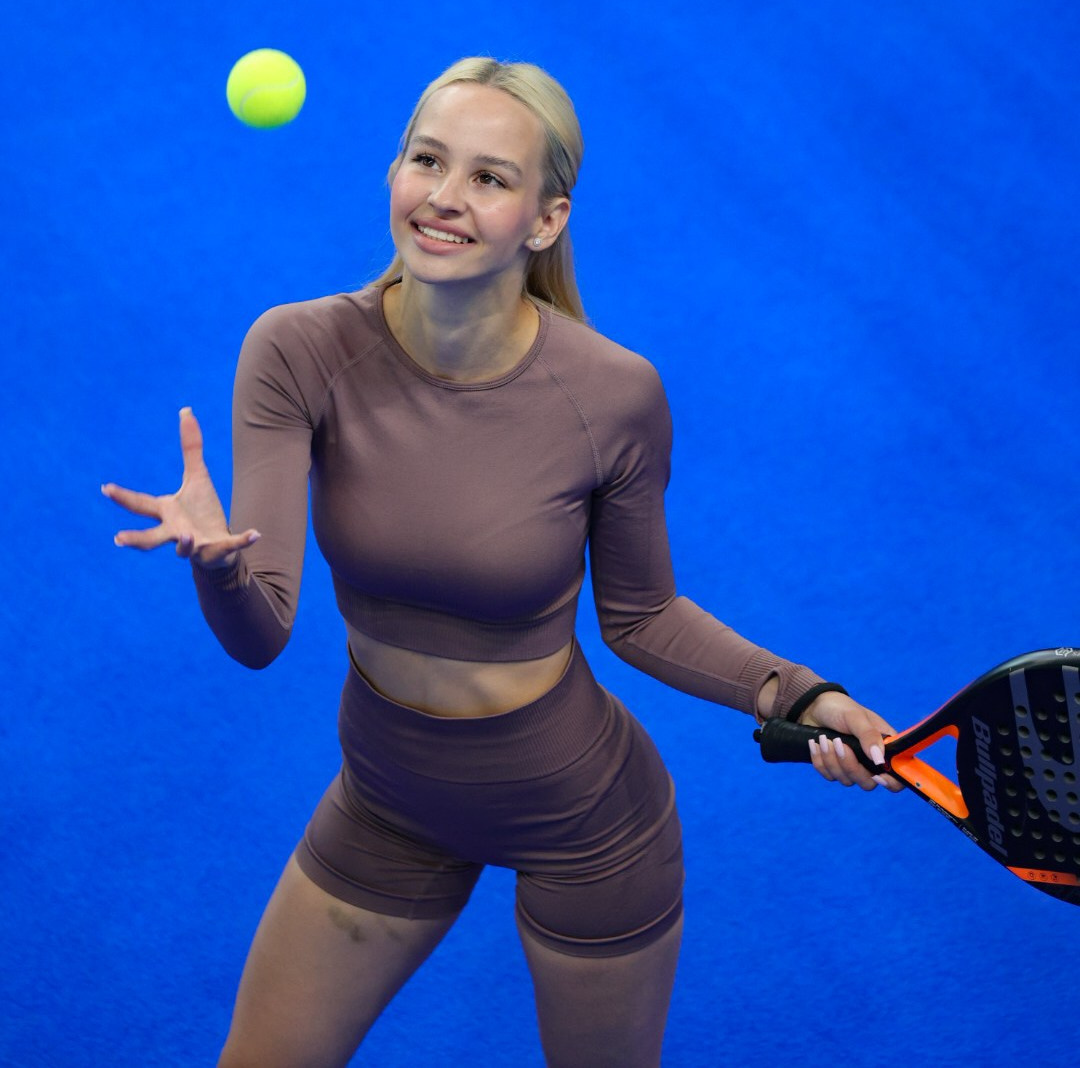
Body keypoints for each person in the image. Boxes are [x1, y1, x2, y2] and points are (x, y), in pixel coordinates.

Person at [104, 56, 900, 1068]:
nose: (444, 197)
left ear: (546, 220)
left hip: (588, 822)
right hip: (387, 801)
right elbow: (262, 635)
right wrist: (216, 568)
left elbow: (642, 618)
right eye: (426, 160)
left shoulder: (613, 394)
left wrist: (802, 698)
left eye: (488, 178)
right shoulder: (296, 351)